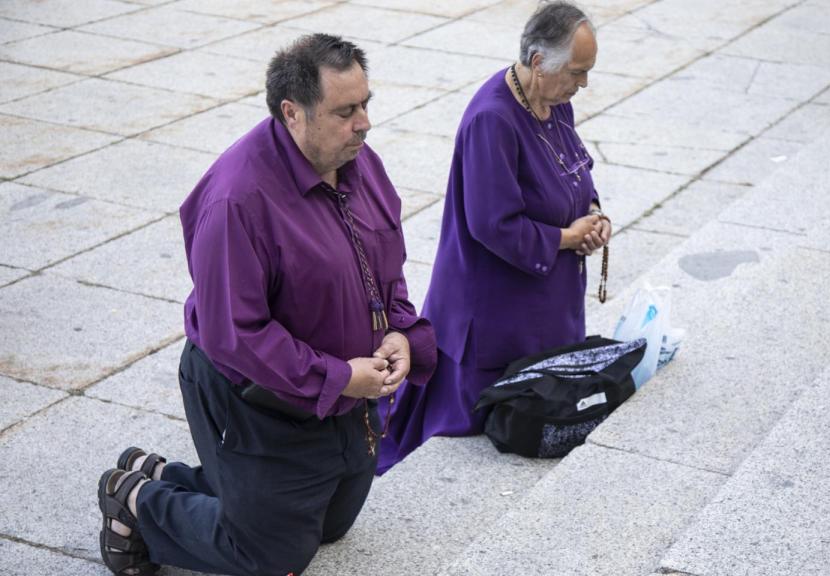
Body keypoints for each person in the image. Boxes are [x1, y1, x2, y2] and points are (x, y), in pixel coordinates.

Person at [94, 34, 436, 576]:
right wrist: (337, 375)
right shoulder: (238, 199)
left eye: (366, 104)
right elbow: (238, 335)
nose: (364, 123)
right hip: (254, 395)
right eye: (345, 111)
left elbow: (386, 265)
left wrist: (399, 331)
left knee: (330, 524)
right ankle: (135, 499)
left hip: (342, 394)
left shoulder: (360, 162)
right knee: (273, 555)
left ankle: (168, 474)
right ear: (292, 113)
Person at [377, 1, 610, 474]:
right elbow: (492, 225)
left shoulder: (553, 100)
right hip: (493, 312)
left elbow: (574, 169)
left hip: (546, 303)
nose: (582, 84)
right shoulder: (493, 120)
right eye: (577, 72)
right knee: (483, 427)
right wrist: (566, 237)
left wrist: (594, 213)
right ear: (539, 61)